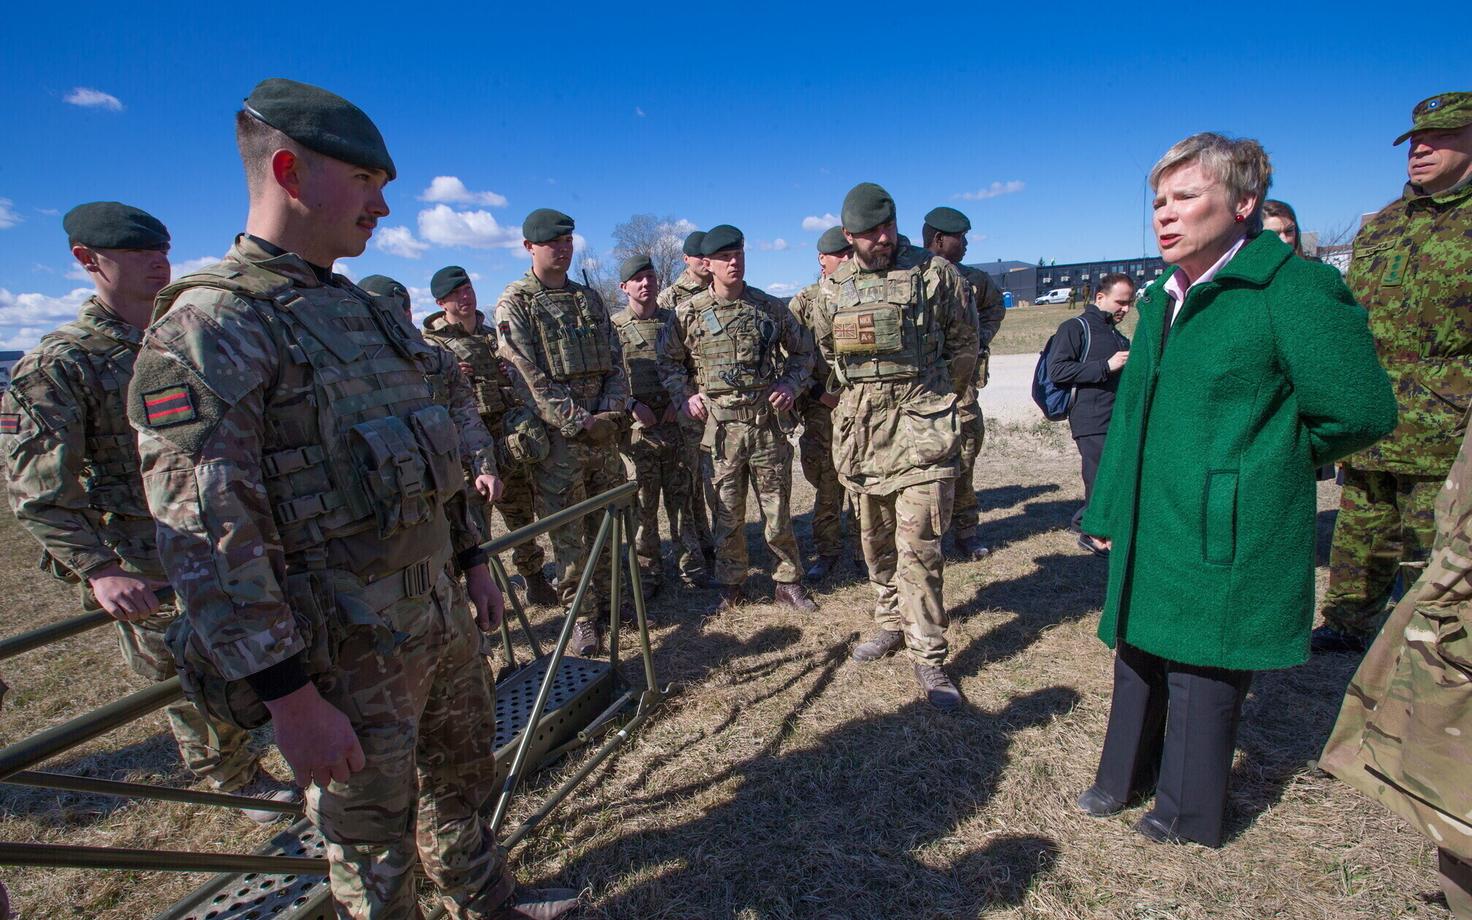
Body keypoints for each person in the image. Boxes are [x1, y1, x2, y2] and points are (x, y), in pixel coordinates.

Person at [128, 78, 577, 919]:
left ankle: (486, 905)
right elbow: (207, 537)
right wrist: (289, 698)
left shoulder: (364, 314)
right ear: (292, 172)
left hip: (434, 613)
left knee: (462, 783)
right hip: (340, 657)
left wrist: (472, 559)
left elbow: (433, 449)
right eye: (367, 183)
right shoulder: (213, 325)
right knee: (372, 845)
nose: (384, 208)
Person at [1074, 132, 1396, 847]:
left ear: (1244, 202)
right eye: (1159, 200)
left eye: (1186, 197)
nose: (1164, 214)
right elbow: (1131, 413)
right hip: (1154, 513)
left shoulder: (1293, 287)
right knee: (1139, 646)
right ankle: (1122, 777)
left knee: (1202, 662)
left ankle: (1187, 815)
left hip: (1225, 515)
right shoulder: (1164, 298)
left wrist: (1262, 462)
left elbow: (1361, 410)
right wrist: (1107, 505)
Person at [0, 202, 289, 821]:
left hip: (224, 529)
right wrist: (100, 569)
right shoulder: (59, 364)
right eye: (135, 252)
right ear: (86, 260)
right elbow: (37, 491)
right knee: (184, 668)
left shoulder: (184, 333)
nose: (156, 260)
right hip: (146, 555)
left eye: (160, 247)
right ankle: (234, 776)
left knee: (255, 638)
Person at [810, 183, 980, 710]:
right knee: (875, 539)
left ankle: (928, 656)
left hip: (921, 428)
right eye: (868, 233)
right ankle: (888, 620)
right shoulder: (831, 289)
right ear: (848, 236)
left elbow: (964, 345)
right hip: (863, 432)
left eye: (887, 227)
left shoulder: (936, 275)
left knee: (920, 545)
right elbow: (826, 349)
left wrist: (932, 401)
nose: (881, 239)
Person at [1315, 91, 1472, 655]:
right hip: (1372, 411)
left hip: (1446, 421)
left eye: (1442, 137)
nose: (1421, 150)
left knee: (1440, 539)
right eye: (1414, 142)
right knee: (1361, 531)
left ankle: (1436, 635)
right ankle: (1348, 621)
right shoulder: (1385, 223)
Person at [1320, 413, 1472, 919]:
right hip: (1372, 444)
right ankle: (1349, 619)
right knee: (1362, 538)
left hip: (1436, 441)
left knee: (1427, 556)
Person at [657, 224, 817, 612]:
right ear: (707, 264)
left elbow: (804, 352)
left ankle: (787, 580)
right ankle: (732, 584)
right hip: (721, 431)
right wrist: (685, 395)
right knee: (726, 512)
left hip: (766, 426)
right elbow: (667, 361)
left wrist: (790, 386)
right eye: (726, 257)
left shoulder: (768, 307)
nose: (734, 263)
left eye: (739, 255)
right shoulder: (687, 314)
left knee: (777, 508)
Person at [496, 208, 630, 658]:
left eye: (569, 241)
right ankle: (582, 618)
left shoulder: (588, 298)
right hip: (560, 444)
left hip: (603, 436)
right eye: (554, 243)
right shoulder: (516, 302)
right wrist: (579, 420)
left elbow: (616, 358)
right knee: (569, 534)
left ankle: (612, 602)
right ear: (529, 247)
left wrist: (610, 411)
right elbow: (525, 374)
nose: (564, 249)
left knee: (609, 522)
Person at [421, 266, 558, 608]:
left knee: (519, 513)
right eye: (455, 294)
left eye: (466, 288)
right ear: (441, 302)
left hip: (506, 441)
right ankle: (480, 591)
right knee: (473, 525)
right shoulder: (431, 347)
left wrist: (506, 372)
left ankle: (533, 575)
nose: (464, 297)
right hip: (466, 448)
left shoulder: (491, 336)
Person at [611, 253, 707, 593]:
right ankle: (649, 573)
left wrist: (678, 400)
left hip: (675, 424)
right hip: (639, 434)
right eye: (638, 279)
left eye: (651, 277)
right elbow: (607, 378)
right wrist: (631, 404)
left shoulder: (675, 321)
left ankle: (691, 568)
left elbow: (696, 366)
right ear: (624, 287)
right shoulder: (614, 329)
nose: (646, 283)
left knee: (682, 501)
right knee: (644, 508)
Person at [923, 206, 1007, 561]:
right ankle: (927, 537)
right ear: (939, 239)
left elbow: (995, 310)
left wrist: (978, 338)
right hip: (923, 391)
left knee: (965, 460)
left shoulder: (975, 280)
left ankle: (966, 532)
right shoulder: (913, 277)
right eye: (961, 237)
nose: (967, 244)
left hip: (964, 392)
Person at [786, 226, 854, 581]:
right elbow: (789, 355)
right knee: (826, 480)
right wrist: (815, 393)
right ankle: (827, 551)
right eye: (837, 255)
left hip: (858, 405)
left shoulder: (862, 292)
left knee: (862, 477)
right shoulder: (805, 301)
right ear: (821, 259)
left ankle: (863, 547)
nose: (845, 260)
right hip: (821, 406)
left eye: (849, 253)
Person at [1047, 272, 1132, 555]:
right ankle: (1090, 531)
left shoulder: (1116, 335)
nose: (1126, 309)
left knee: (1112, 475)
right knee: (1098, 476)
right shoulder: (1075, 327)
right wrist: (1106, 367)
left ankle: (1091, 523)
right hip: (1090, 417)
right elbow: (1057, 370)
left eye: (1130, 303)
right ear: (1100, 298)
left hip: (1116, 419)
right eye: (1120, 302)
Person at [658, 229, 717, 572]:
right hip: (689, 401)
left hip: (717, 397)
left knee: (713, 475)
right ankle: (696, 547)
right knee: (691, 478)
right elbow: (666, 354)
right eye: (699, 258)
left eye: (708, 258)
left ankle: (714, 542)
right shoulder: (671, 299)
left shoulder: (719, 288)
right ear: (686, 260)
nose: (705, 263)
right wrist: (679, 396)